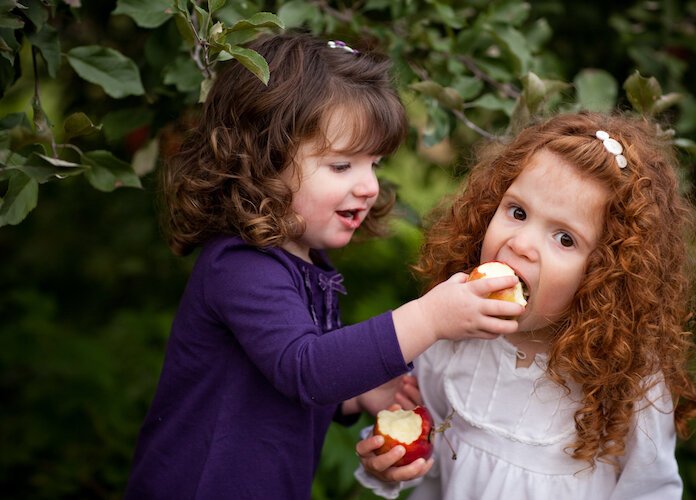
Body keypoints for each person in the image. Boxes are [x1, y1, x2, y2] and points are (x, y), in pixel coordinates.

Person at [124, 32, 524, 500]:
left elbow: (283, 373)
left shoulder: (305, 261)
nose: (370, 186)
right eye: (341, 166)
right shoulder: (239, 265)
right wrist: (430, 317)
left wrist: (356, 395)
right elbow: (306, 368)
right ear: (261, 162)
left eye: (373, 164)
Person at [354, 111, 696, 499]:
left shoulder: (626, 383)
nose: (521, 244)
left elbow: (651, 491)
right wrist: (393, 467)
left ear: (606, 275)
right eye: (517, 212)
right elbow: (432, 449)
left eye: (565, 239)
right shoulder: (450, 337)